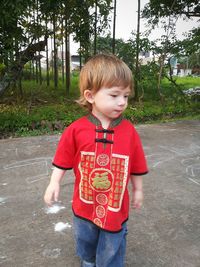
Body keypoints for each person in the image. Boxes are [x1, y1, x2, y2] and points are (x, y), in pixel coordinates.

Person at [44, 53, 148, 267]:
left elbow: (136, 163)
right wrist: (54, 182)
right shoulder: (76, 130)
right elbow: (62, 159)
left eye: (126, 96)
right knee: (86, 239)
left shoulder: (129, 131)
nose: (122, 102)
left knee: (112, 244)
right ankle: (88, 260)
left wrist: (137, 189)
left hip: (115, 206)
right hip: (84, 203)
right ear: (90, 96)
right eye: (114, 95)